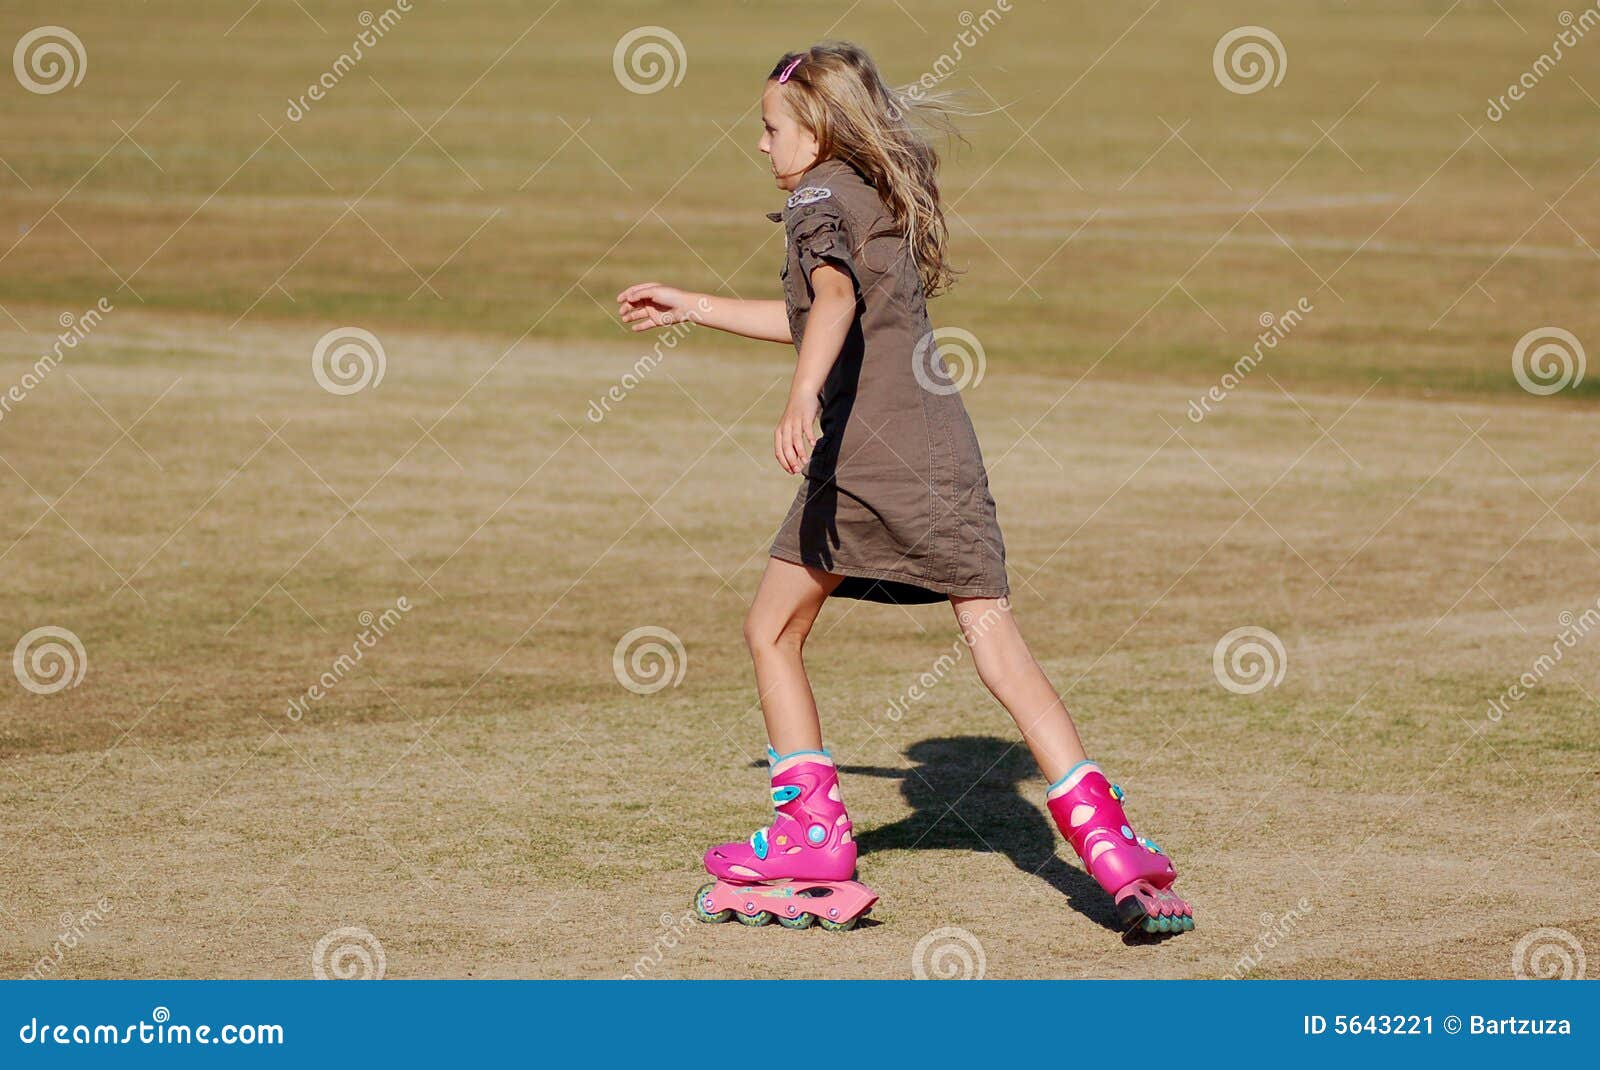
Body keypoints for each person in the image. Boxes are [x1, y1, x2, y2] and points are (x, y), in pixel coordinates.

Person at [616, 42, 1193, 936]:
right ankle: (1109, 844)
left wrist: (804, 394)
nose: (762, 148)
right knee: (994, 640)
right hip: (943, 454)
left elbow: (834, 303)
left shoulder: (813, 199)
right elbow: (817, 312)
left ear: (814, 130)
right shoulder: (869, 192)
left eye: (769, 131)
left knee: (771, 629)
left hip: (861, 458)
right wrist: (693, 305)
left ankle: (809, 832)